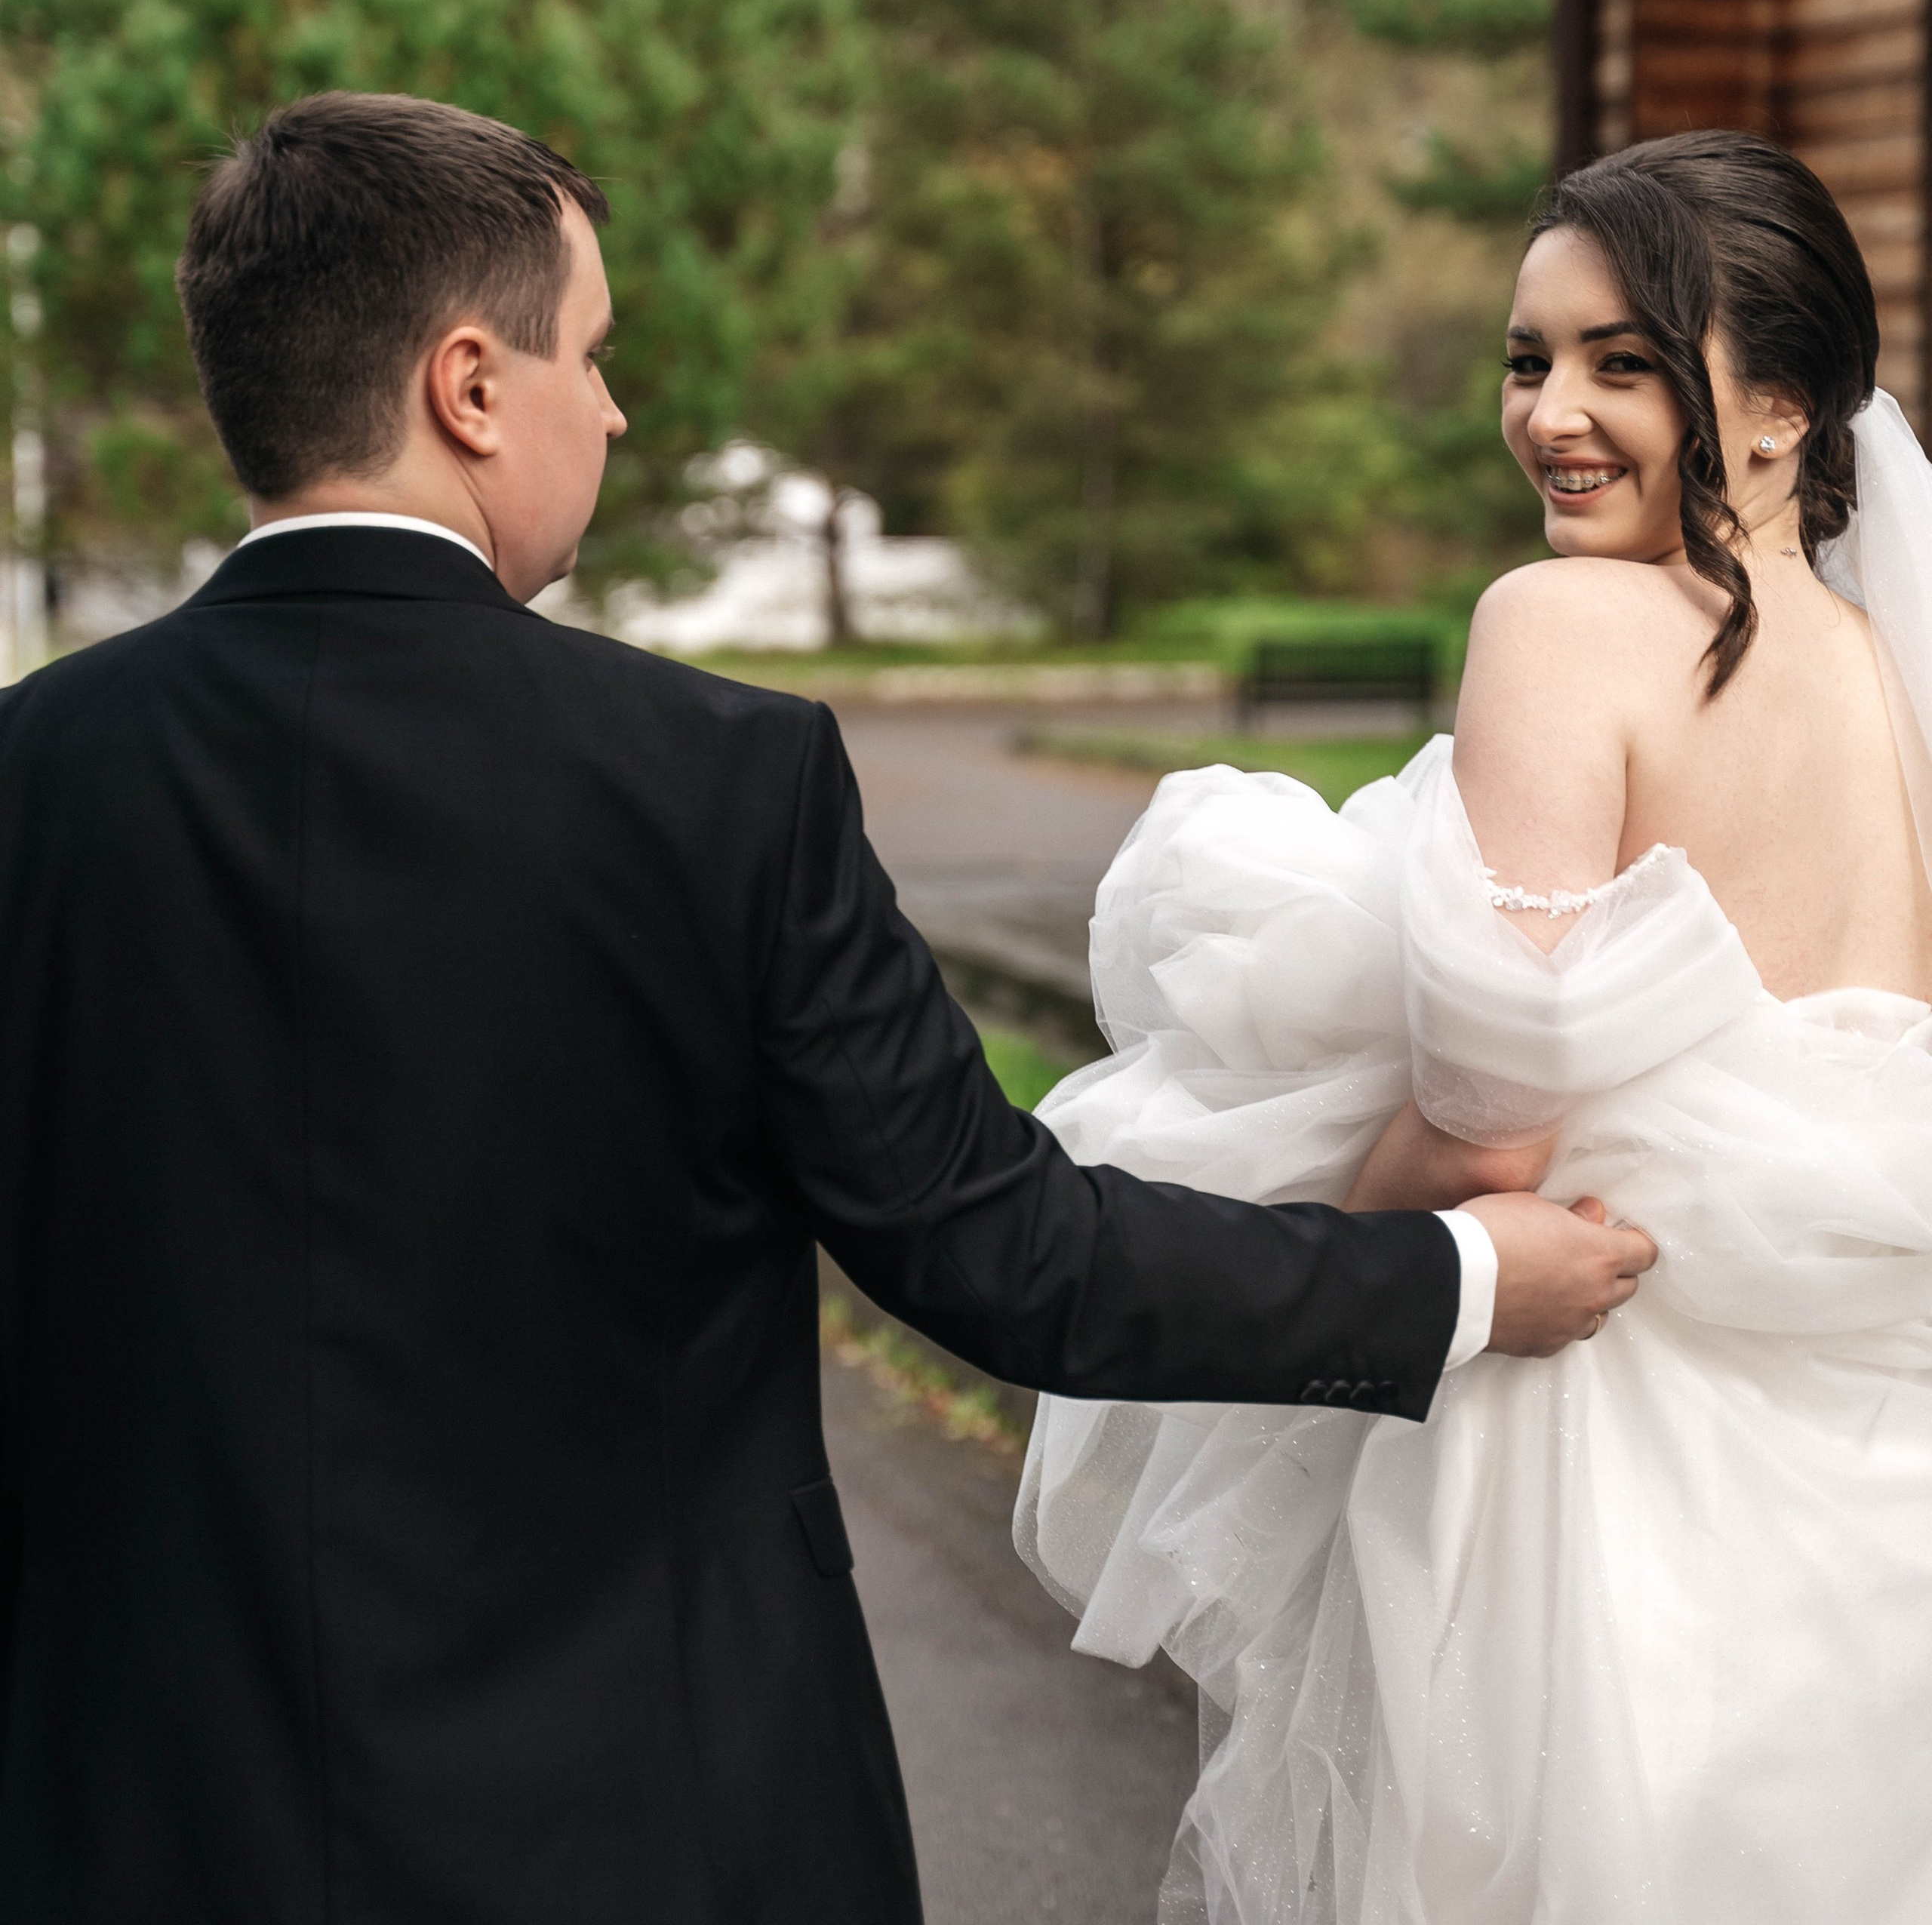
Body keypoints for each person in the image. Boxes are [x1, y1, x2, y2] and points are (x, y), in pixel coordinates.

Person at [0, 92, 1638, 1923]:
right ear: (470, 385)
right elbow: (1006, 1254)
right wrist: (1466, 1279)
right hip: (651, 1823)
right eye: (595, 354)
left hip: (133, 1818)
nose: (612, 409)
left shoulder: (34, 773)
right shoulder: (714, 781)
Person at [1018, 128, 1932, 1925]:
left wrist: (1290, 1252)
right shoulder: (1883, 666)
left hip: (1599, 1432)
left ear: (1780, 407)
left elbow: (1489, 1123)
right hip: (1869, 1468)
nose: (1551, 413)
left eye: (1622, 360)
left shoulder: (1556, 625)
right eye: (1528, 359)